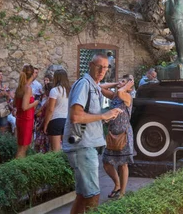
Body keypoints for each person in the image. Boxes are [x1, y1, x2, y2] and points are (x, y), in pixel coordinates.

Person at [63, 54, 121, 214]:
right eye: (99, 66)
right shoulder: (84, 85)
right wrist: (104, 115)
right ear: (90, 65)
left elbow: (87, 116)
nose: (102, 70)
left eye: (106, 67)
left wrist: (105, 116)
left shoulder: (94, 85)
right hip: (83, 147)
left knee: (82, 195)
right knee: (93, 195)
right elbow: (76, 116)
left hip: (86, 146)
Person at [102, 76, 136, 199]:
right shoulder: (115, 96)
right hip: (112, 133)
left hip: (124, 134)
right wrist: (117, 83)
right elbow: (100, 87)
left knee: (123, 164)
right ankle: (117, 185)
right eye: (120, 80)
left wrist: (128, 85)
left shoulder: (127, 96)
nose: (120, 83)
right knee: (106, 162)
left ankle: (122, 192)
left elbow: (122, 92)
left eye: (123, 81)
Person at [14, 65, 40, 158]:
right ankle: (17, 169)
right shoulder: (27, 88)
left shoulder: (19, 87)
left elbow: (15, 104)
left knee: (20, 147)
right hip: (26, 119)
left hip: (20, 118)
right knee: (23, 148)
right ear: (33, 74)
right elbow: (24, 107)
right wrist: (36, 102)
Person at [43, 69, 70, 152]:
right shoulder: (70, 91)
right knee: (67, 149)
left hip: (55, 120)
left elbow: (50, 109)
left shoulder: (54, 91)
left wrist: (45, 124)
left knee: (56, 151)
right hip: (67, 121)